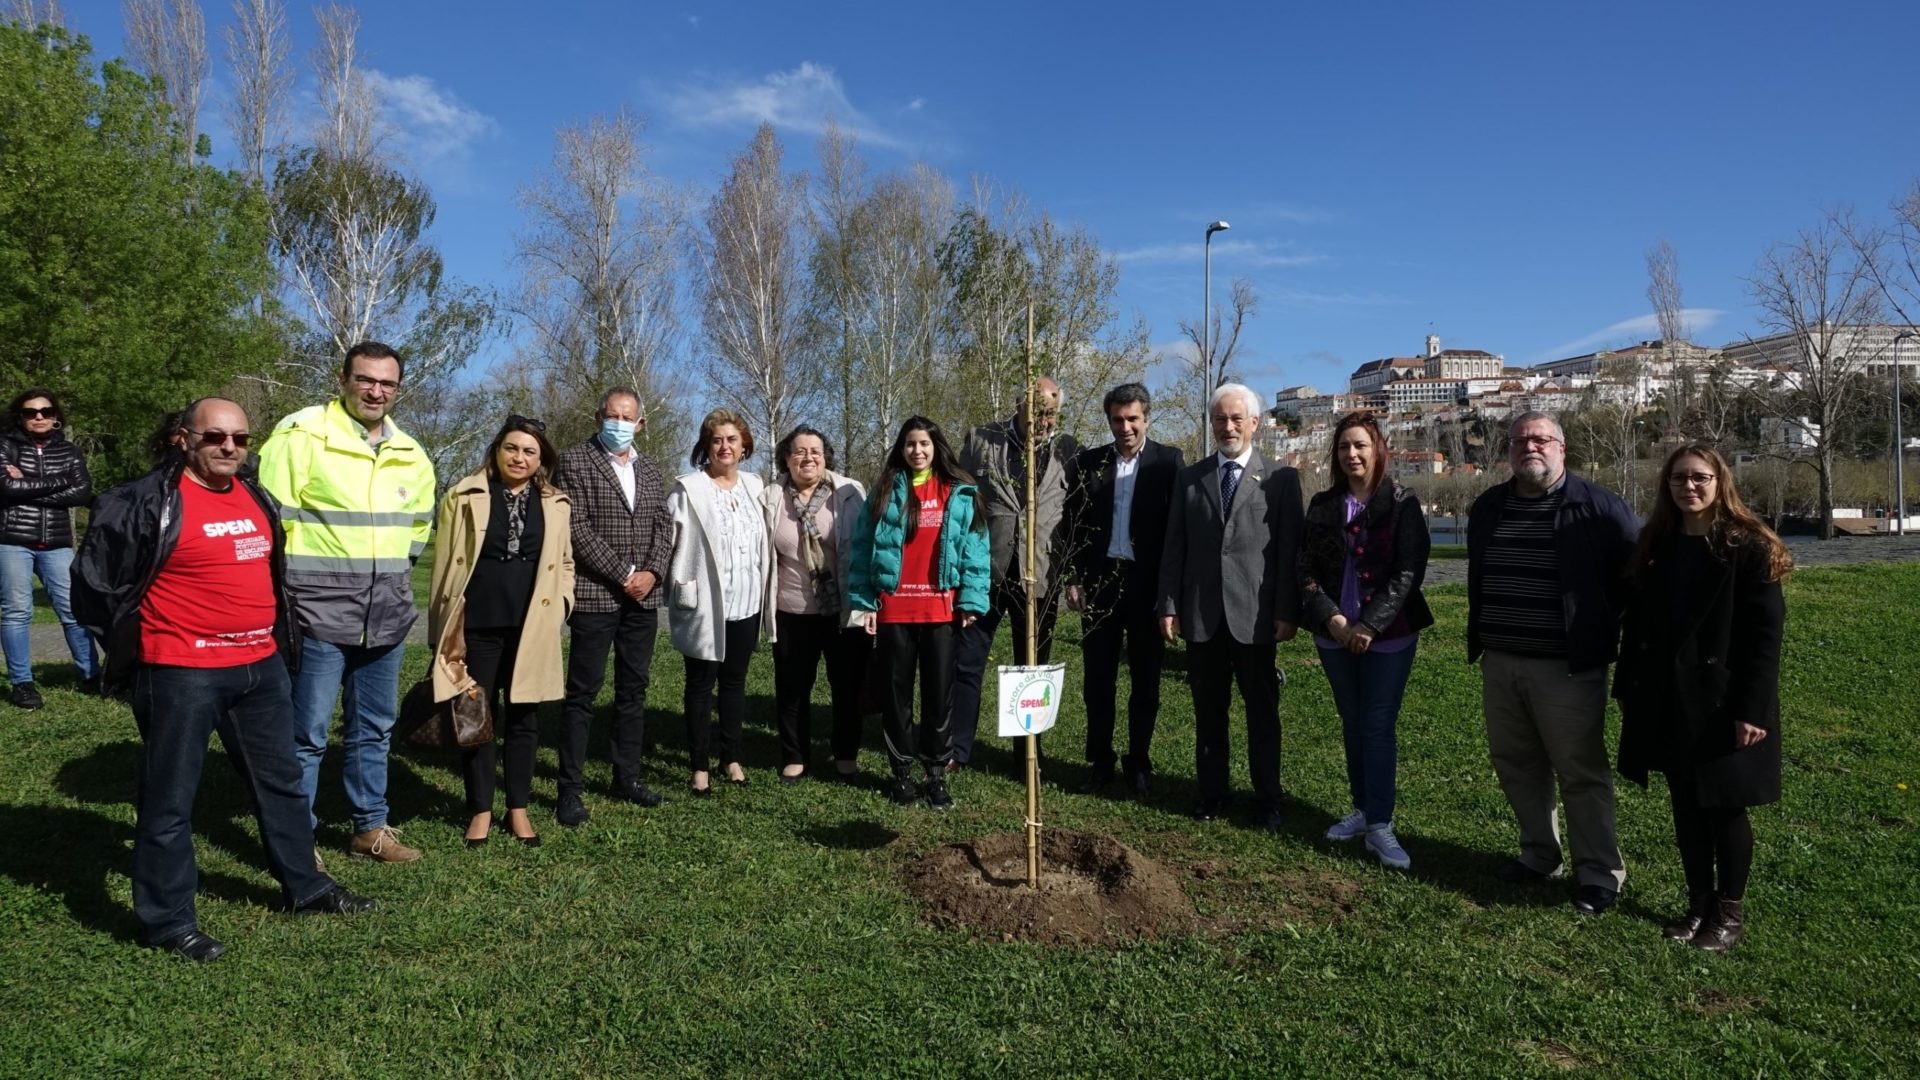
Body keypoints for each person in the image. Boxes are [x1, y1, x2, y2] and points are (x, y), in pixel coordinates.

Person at [72, 398, 376, 963]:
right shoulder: (143, 500)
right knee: (170, 800)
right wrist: (134, 646)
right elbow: (95, 585)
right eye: (214, 436)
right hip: (181, 671)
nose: (229, 447)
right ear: (183, 438)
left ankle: (307, 888)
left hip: (259, 668)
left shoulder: (254, 495)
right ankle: (168, 922)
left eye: (240, 438)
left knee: (282, 785)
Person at [258, 342, 436, 864]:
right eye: (365, 379)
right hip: (316, 613)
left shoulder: (411, 453)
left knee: (374, 729)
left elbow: (419, 529)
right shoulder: (302, 435)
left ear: (398, 389)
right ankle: (296, 841)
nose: (376, 391)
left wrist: (389, 580)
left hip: (386, 616)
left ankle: (369, 829)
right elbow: (268, 521)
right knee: (306, 734)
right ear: (343, 381)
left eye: (387, 383)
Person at [1615, 445, 1789, 951]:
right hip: (1669, 697)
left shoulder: (1748, 546)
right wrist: (1627, 687)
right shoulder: (1657, 543)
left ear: (1720, 482)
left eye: (1699, 478)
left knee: (1724, 807)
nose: (1688, 487)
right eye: (1678, 479)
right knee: (1686, 806)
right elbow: (1637, 626)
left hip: (1723, 700)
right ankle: (1698, 905)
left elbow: (1765, 638)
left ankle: (1729, 913)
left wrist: (1751, 710)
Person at [1467, 410, 1639, 914]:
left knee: (1580, 770)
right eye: (1520, 440)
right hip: (1501, 660)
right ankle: (1540, 853)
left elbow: (1632, 579)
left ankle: (1599, 873)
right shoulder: (1489, 506)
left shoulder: (1599, 507)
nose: (1531, 448)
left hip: (1567, 666)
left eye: (1542, 439)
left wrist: (1599, 628)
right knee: (1517, 764)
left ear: (1562, 448)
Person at [1159, 383, 1303, 828]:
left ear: (1254, 423)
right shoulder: (1190, 478)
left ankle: (1268, 798)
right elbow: (1174, 547)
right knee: (1209, 712)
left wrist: (1287, 610)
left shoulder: (1280, 479)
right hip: (1202, 615)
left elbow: (1289, 552)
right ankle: (1212, 793)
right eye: (1220, 419)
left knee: (1262, 713)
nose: (1228, 427)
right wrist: (1168, 605)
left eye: (1237, 418)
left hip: (1256, 617)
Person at [427, 416, 574, 848]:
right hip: (478, 625)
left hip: (532, 627)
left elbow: (566, 562)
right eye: (512, 448)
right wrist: (440, 631)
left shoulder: (555, 503)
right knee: (478, 717)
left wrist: (562, 605)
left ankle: (518, 808)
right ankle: (480, 809)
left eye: (530, 451)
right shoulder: (463, 496)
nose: (519, 458)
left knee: (526, 718)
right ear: (496, 450)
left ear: (541, 459)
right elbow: (443, 565)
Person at [1298, 412, 1432, 870]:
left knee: (1377, 725)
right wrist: (1331, 618)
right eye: (1343, 447)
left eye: (1360, 446)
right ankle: (1361, 808)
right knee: (1352, 721)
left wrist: (1369, 626)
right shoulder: (1322, 505)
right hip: (1334, 633)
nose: (1351, 454)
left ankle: (1380, 823)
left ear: (1377, 450)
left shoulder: (1401, 503)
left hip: (1388, 636)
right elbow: (1305, 569)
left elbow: (1409, 571)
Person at [848, 417, 990, 809]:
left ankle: (936, 775)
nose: (917, 451)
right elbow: (862, 548)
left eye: (924, 443)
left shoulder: (958, 491)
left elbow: (975, 548)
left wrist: (971, 600)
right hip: (894, 609)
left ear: (936, 447)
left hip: (940, 610)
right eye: (910, 444)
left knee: (939, 697)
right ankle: (901, 774)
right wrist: (865, 602)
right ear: (901, 448)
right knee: (896, 698)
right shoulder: (884, 490)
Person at [548, 388, 673, 826]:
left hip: (643, 599)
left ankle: (627, 776)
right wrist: (624, 573)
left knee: (633, 690)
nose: (619, 423)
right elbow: (576, 527)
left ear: (640, 424)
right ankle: (570, 789)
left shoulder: (651, 468)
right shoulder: (574, 461)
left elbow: (663, 526)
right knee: (583, 694)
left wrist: (653, 572)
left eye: (628, 417)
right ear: (598, 416)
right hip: (597, 594)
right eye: (612, 415)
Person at [948, 378, 1078, 769]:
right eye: (1036, 411)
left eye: (1050, 414)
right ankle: (957, 750)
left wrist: (1072, 572)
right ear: (1018, 406)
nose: (1043, 421)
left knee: (1032, 670)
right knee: (967, 663)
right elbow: (959, 504)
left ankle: (1027, 755)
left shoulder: (1069, 450)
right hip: (984, 574)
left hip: (1040, 574)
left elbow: (1075, 515)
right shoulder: (981, 440)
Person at [1064, 383, 1183, 796]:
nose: (1126, 427)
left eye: (1133, 418)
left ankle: (1139, 762)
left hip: (1146, 585)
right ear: (1109, 421)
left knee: (1146, 681)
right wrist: (1074, 577)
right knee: (1098, 681)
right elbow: (1073, 524)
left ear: (1147, 418)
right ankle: (1100, 762)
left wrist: (1170, 595)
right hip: (1101, 583)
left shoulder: (1168, 462)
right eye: (1118, 420)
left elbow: (1177, 533)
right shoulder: (1090, 463)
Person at [665, 409, 772, 796]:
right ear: (706, 446)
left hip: (746, 601)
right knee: (700, 685)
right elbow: (668, 543)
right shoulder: (688, 489)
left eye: (732, 439)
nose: (724, 447)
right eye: (716, 440)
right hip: (704, 604)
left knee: (734, 683)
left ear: (744, 446)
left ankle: (731, 757)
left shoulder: (755, 486)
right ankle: (699, 765)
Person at [761, 425, 871, 782]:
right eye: (799, 451)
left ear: (826, 458)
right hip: (791, 610)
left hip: (842, 609)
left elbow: (865, 549)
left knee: (848, 686)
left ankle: (846, 755)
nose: (807, 458)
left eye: (815, 452)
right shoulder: (771, 497)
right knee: (792, 688)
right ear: (786, 458)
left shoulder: (850, 492)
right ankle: (794, 755)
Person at [0, 387, 99, 704]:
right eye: (31, 412)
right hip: (12, 541)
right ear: (20, 417)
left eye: (46, 411)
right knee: (17, 613)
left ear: (56, 416)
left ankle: (91, 676)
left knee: (74, 610)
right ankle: (22, 684)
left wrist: (26, 485)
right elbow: (6, 486)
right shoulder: (5, 444)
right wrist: (61, 482)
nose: (39, 416)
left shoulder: (69, 450)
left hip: (57, 543)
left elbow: (81, 492)